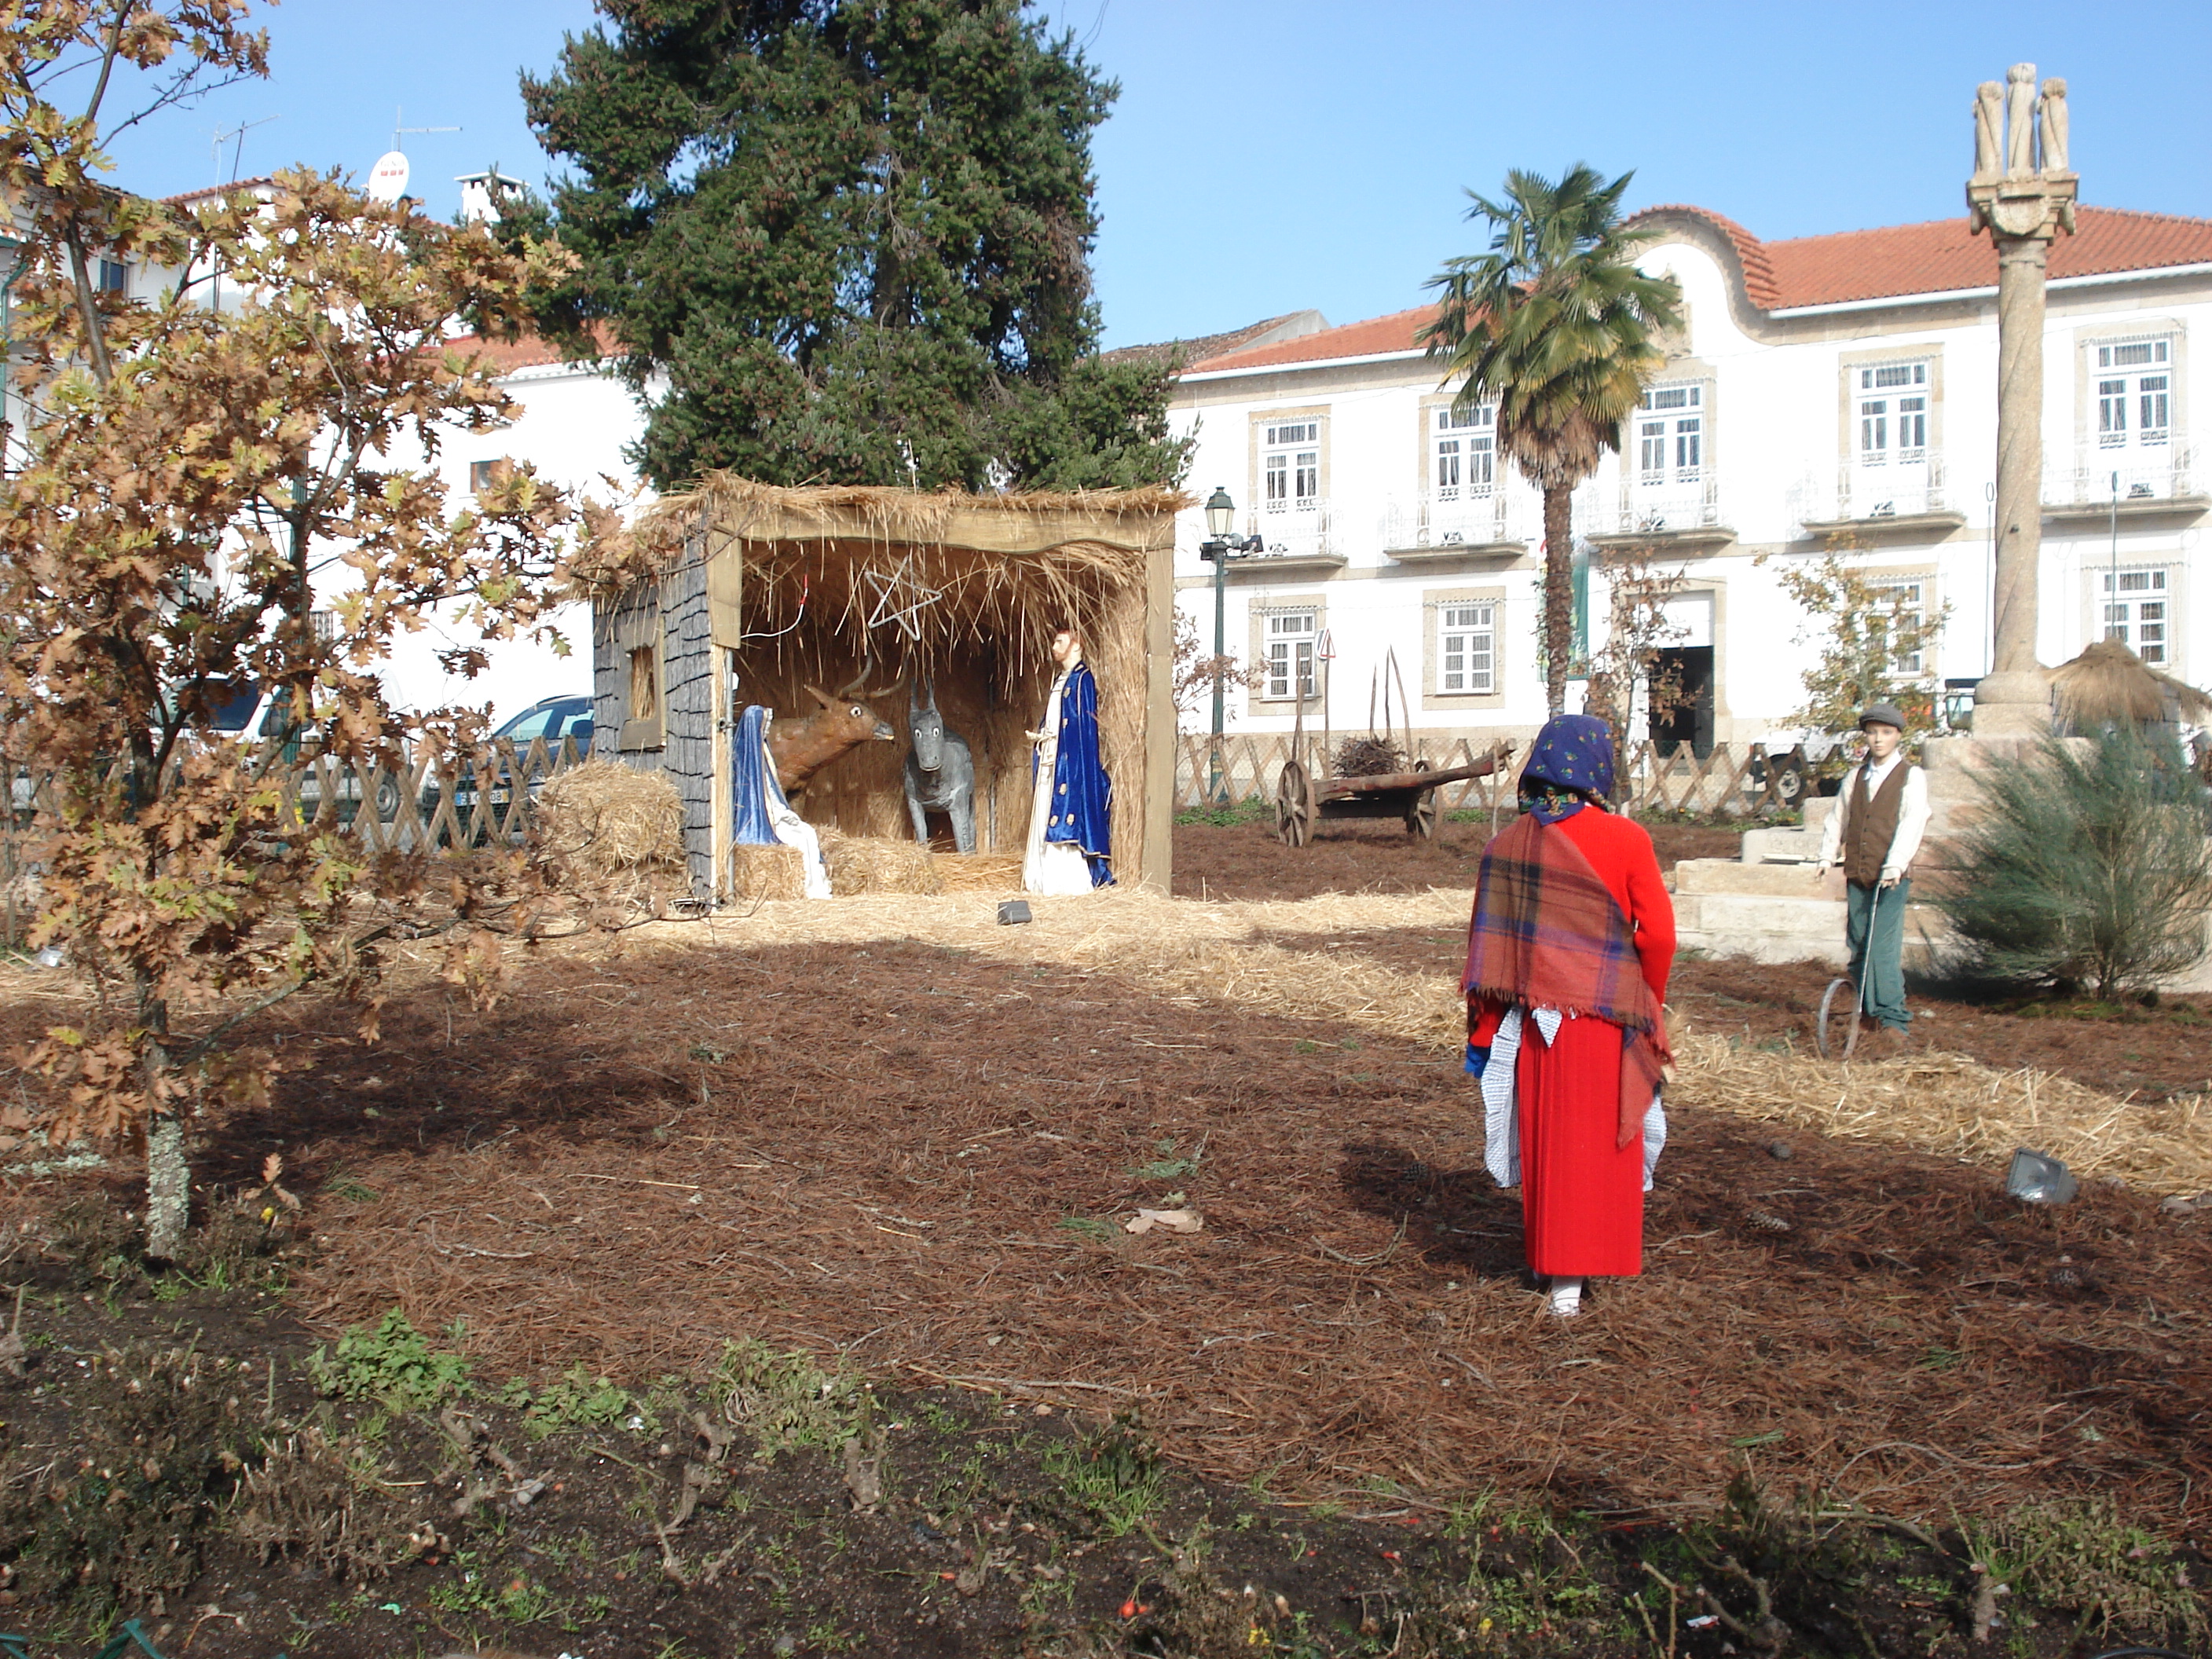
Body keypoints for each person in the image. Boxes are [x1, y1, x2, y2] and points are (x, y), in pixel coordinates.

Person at [1463, 715, 1675, 1318]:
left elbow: (1489, 949)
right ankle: (1573, 1280)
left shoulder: (1506, 847)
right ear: (1596, 768)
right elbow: (1659, 934)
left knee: (1549, 1141)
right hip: (1606, 1022)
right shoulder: (1626, 839)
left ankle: (1549, 1264)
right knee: (1599, 1146)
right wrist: (1646, 997)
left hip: (1537, 1024)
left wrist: (1486, 1028)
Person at [1811, 702, 1930, 1051]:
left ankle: (1894, 1018)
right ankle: (1865, 1012)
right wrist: (1826, 855)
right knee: (1860, 946)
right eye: (1873, 732)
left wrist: (1895, 864)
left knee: (1882, 949)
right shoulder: (1856, 777)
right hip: (1858, 874)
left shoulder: (1911, 776)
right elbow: (1838, 819)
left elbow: (1912, 822)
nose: (1879, 740)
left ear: (1897, 737)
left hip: (1890, 878)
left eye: (1886, 733)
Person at [1023, 624, 1112, 892]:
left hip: (1068, 764)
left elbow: (1082, 727)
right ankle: (1043, 879)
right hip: (1052, 757)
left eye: (1060, 642)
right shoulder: (1061, 680)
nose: (1054, 648)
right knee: (1045, 812)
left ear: (1076, 644)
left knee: (1063, 816)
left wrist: (1068, 758)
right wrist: (1042, 737)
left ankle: (1067, 880)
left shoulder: (1083, 680)